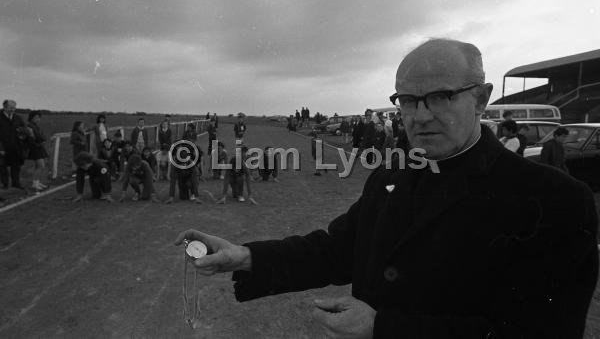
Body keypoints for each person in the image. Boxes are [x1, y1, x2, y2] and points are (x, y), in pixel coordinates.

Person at [175, 39, 598, 338]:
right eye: (408, 100)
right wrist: (245, 257)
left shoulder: (554, 200)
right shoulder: (393, 175)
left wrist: (383, 328)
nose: (420, 115)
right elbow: (336, 249)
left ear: (482, 98)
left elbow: (538, 332)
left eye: (441, 97)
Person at [0, 100, 29, 190]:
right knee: (2, 167)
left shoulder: (17, 117)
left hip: (16, 147)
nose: (13, 110)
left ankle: (16, 183)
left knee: (16, 166)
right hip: (2, 147)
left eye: (14, 108)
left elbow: (25, 129)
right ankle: (5, 184)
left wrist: (22, 132)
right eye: (10, 108)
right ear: (4, 107)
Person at [26, 111, 49, 191]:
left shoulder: (35, 126)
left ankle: (37, 182)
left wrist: (43, 140)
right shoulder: (29, 126)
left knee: (39, 166)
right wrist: (39, 143)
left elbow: (42, 136)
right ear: (31, 118)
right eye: (36, 117)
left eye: (39, 118)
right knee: (40, 166)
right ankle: (35, 184)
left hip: (39, 147)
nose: (38, 119)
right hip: (35, 148)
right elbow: (31, 139)